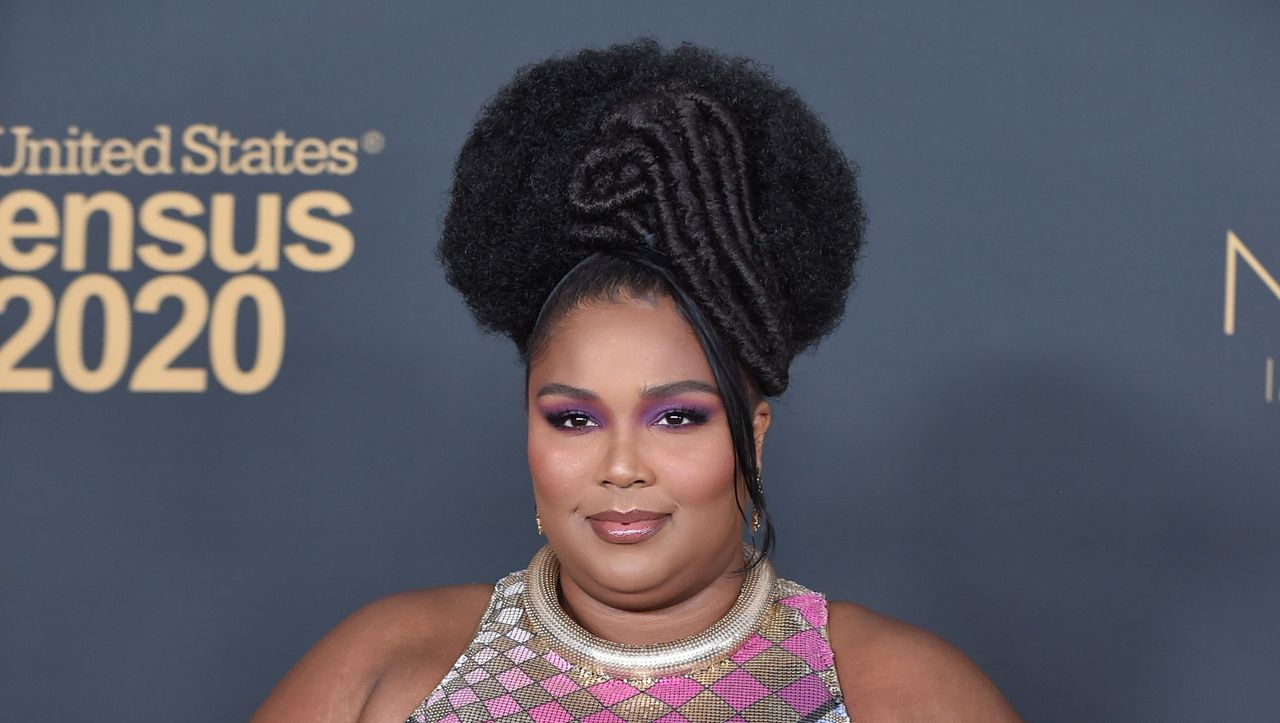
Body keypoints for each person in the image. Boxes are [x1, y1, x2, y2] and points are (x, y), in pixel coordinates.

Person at [251, 38, 1021, 723]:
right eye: (573, 420)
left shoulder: (899, 693)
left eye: (677, 417)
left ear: (752, 434)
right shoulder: (389, 669)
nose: (621, 466)